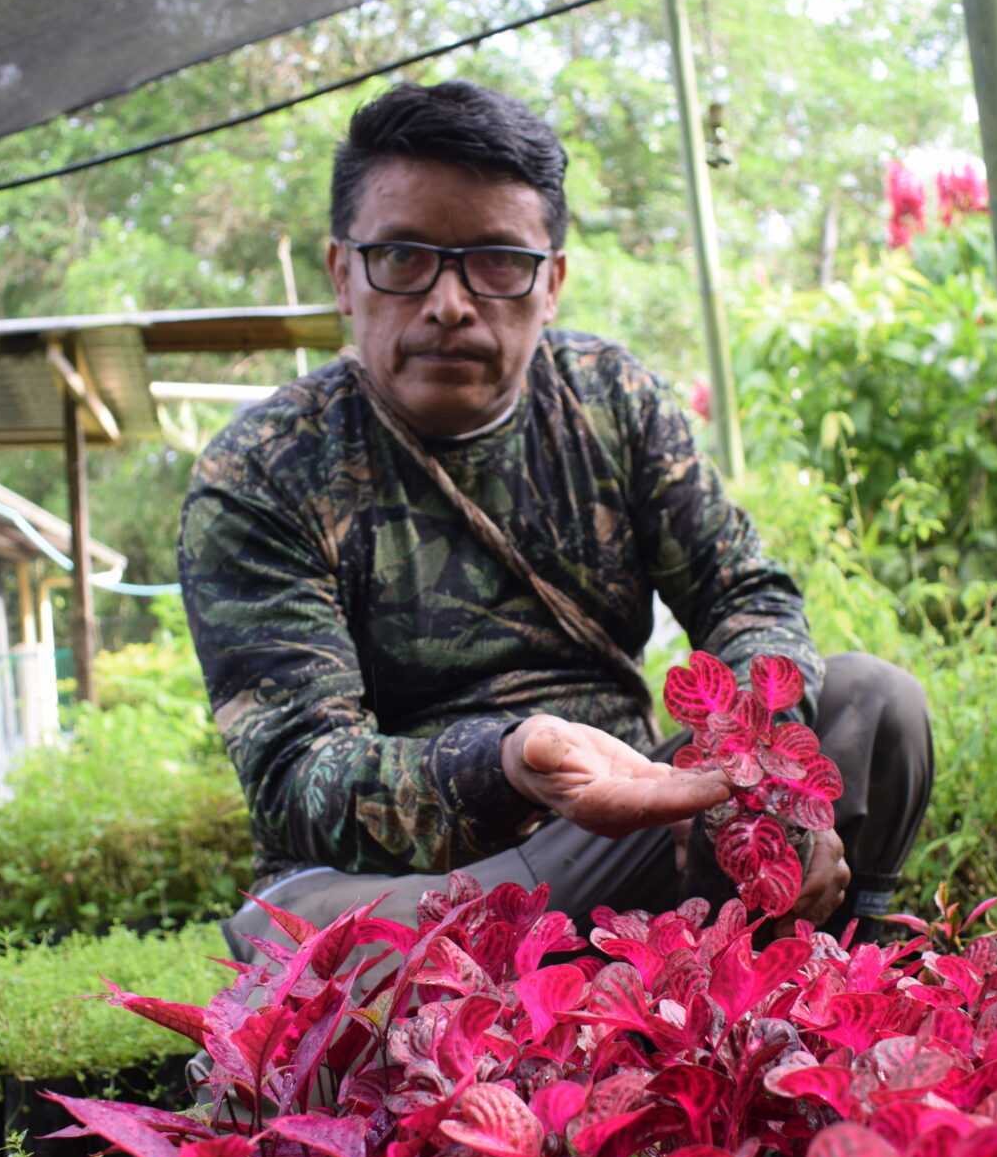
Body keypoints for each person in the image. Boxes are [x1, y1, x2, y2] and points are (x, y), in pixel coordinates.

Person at [178, 80, 931, 959]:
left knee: (876, 701)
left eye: (498, 261)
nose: (449, 302)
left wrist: (754, 773)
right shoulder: (262, 469)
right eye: (403, 257)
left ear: (553, 282)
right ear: (344, 273)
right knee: (350, 951)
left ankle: (818, 977)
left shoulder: (612, 401)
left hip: (635, 826)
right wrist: (507, 764)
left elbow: (745, 595)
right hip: (403, 882)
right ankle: (649, 961)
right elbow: (300, 775)